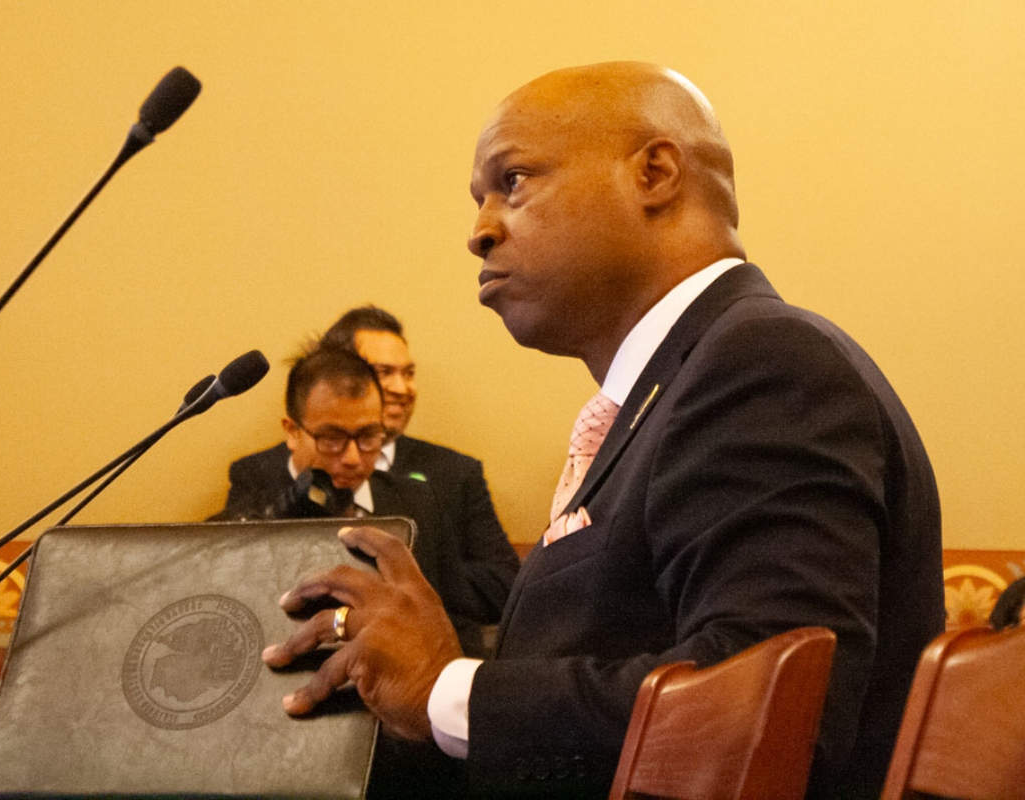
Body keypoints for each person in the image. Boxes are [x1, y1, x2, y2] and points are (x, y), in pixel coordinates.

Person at [261, 61, 944, 798]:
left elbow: (768, 708)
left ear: (654, 173)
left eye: (513, 180)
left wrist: (449, 690)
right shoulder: (674, 388)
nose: (480, 230)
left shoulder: (762, 364)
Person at [220, 306, 519, 654]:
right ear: (292, 431)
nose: (352, 458)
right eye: (331, 439)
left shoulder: (420, 501)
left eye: (368, 438)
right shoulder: (258, 499)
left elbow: (455, 619)